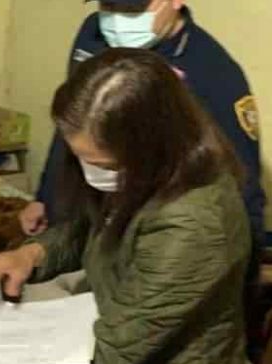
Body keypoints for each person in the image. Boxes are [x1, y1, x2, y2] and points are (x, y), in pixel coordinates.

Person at [0, 48, 249, 364]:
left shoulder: (196, 223)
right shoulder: (144, 173)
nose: (92, 175)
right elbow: (92, 227)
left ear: (152, 145)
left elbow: (114, 350)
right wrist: (30, 254)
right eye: (80, 159)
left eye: (104, 165)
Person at [20, 0, 265, 258]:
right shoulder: (93, 34)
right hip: (86, 223)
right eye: (108, 6)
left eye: (133, 10)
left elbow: (242, 181)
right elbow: (74, 123)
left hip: (153, 235)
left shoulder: (213, 73)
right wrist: (45, 197)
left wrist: (244, 265)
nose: (116, 22)